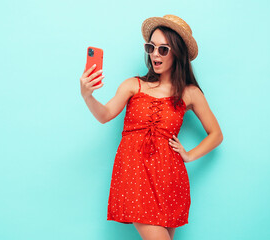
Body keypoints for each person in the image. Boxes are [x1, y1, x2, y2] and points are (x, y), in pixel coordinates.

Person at [79, 14, 223, 240]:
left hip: (170, 180)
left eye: (163, 49)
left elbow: (216, 134)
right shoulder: (133, 85)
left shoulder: (190, 93)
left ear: (178, 53)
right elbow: (105, 115)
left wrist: (189, 155)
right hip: (133, 176)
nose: (155, 54)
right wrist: (87, 96)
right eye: (151, 47)